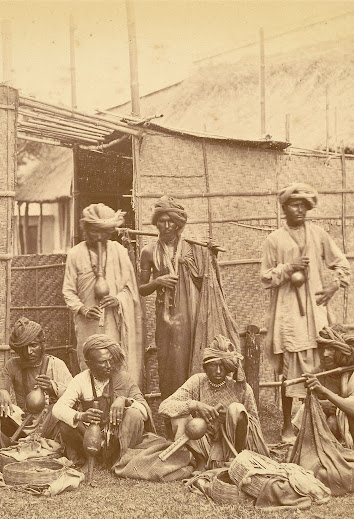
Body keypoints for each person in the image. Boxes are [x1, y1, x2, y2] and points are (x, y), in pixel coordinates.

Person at [138, 196, 236, 437]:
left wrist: (211, 255)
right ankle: (172, 425)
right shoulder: (148, 252)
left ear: (179, 224)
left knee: (193, 362)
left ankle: (200, 423)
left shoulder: (193, 248)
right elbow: (141, 288)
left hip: (192, 317)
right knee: (169, 368)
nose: (166, 226)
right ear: (155, 223)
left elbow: (207, 279)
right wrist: (158, 281)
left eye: (171, 221)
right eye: (161, 221)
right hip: (167, 320)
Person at [260, 182, 351, 443]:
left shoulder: (318, 235)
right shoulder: (274, 240)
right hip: (288, 314)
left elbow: (341, 262)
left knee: (320, 365)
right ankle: (287, 425)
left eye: (303, 205)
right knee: (290, 370)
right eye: (293, 205)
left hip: (316, 310)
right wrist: (289, 268)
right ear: (284, 207)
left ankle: (317, 422)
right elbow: (266, 277)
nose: (299, 210)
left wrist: (335, 284)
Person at [158, 335, 269, 471]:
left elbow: (254, 425)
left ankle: (236, 460)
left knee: (237, 408)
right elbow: (164, 407)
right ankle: (200, 460)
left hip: (230, 447)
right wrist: (195, 405)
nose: (218, 371)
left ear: (228, 367)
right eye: (213, 365)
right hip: (202, 443)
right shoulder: (197, 382)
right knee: (180, 417)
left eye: (222, 366)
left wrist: (230, 419)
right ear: (205, 367)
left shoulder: (241, 388)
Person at [62, 203, 143, 385]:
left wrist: (118, 300)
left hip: (115, 322)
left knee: (115, 363)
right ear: (86, 229)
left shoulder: (119, 252)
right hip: (87, 324)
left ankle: (120, 402)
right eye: (94, 231)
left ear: (109, 232)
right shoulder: (75, 254)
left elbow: (130, 290)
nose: (98, 236)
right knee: (90, 365)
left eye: (103, 232)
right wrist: (83, 309)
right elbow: (68, 291)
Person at [52, 334, 152, 468]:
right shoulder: (81, 380)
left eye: (111, 360)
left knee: (135, 414)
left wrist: (125, 401)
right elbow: (57, 409)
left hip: (118, 437)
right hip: (91, 437)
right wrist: (80, 415)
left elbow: (145, 411)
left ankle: (121, 459)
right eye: (103, 362)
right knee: (65, 424)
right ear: (89, 363)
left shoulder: (124, 378)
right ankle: (91, 458)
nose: (109, 366)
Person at [0, 317, 73, 448]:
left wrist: (52, 387)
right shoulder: (12, 365)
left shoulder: (56, 364)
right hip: (22, 420)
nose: (28, 352)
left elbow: (75, 397)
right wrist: (0, 393)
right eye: (23, 347)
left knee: (59, 410)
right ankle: (10, 448)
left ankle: (49, 445)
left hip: (48, 422)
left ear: (42, 345)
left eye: (33, 345)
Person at [302, 325, 354, 470]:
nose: (325, 354)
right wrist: (320, 403)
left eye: (331, 349)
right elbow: (307, 408)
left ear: (342, 351)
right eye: (322, 349)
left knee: (333, 421)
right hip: (327, 436)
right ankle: (324, 459)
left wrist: (325, 393)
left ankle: (347, 458)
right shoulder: (319, 372)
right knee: (324, 421)